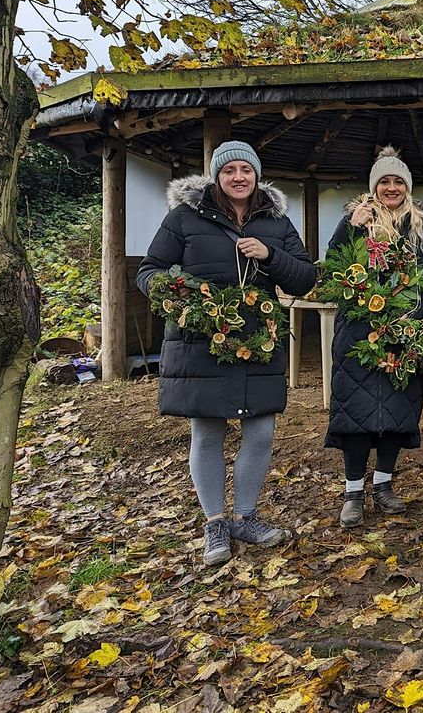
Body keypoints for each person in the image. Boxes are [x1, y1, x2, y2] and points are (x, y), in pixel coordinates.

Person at [137, 140, 316, 566]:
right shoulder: (184, 217)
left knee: (261, 433)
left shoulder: (276, 222)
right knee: (208, 433)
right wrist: (178, 299)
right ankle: (215, 523)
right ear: (217, 175)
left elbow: (304, 277)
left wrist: (270, 255)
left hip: (259, 341)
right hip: (203, 343)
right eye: (230, 169)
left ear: (257, 176)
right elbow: (149, 271)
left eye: (246, 170)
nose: (239, 177)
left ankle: (245, 516)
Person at [325, 147, 423, 528]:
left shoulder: (422, 225)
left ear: (407, 187)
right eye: (385, 181)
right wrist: (353, 228)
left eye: (398, 181)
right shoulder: (355, 219)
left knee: (399, 407)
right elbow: (334, 264)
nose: (391, 187)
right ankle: (353, 493)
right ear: (374, 186)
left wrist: (416, 310)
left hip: (407, 331)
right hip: (358, 330)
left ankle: (384, 485)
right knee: (356, 412)